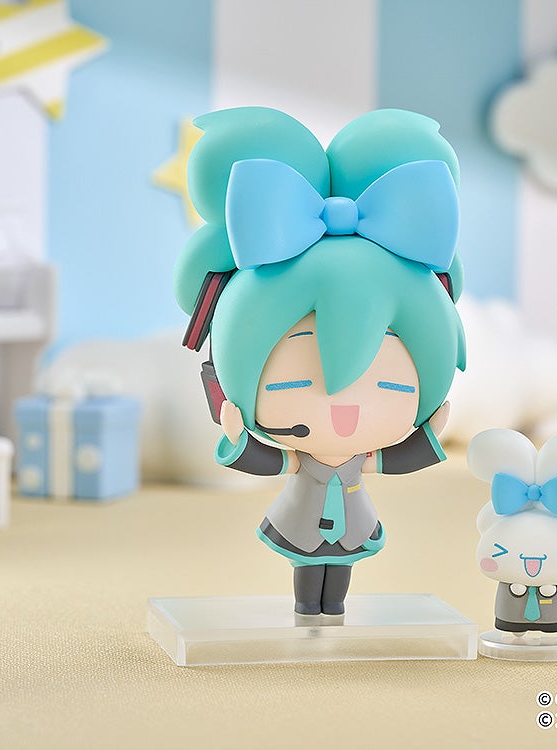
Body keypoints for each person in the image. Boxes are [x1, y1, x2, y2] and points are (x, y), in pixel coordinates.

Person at [173, 107, 466, 615]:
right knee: (308, 578)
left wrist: (431, 435)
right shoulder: (304, 459)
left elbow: (396, 460)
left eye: (389, 384)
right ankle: (309, 610)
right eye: (296, 382)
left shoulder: (360, 459)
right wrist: (236, 436)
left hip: (353, 524)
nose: (343, 407)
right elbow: (270, 462)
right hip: (299, 521)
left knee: (342, 572)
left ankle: (333, 613)